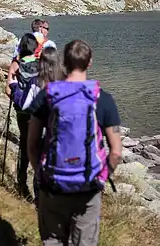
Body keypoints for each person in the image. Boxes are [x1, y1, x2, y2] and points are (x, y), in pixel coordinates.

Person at [27, 40, 124, 246]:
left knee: (52, 241)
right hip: (88, 187)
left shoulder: (47, 95)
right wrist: (102, 178)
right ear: (90, 63)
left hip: (52, 184)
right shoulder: (103, 99)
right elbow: (116, 152)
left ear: (64, 63)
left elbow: (32, 144)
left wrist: (40, 174)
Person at [12, 46, 64, 202]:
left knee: (39, 161)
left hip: (40, 128)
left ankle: (39, 198)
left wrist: (15, 88)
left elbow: (25, 104)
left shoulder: (36, 82)